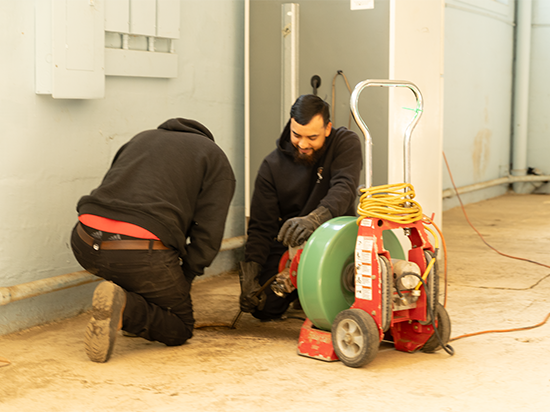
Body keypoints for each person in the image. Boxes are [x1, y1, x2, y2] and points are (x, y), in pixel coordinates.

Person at [70, 118, 235, 363]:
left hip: (84, 240)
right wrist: (187, 275)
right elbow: (208, 233)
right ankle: (125, 309)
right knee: (180, 325)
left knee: (138, 272)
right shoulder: (214, 156)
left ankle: (128, 308)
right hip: (138, 250)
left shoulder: (141, 138)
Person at [239, 94, 362, 320]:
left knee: (342, 305)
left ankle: (306, 289)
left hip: (335, 240)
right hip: (291, 245)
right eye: (297, 135)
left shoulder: (345, 143)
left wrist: (315, 219)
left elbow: (344, 188)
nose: (303, 144)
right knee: (263, 307)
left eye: (312, 137)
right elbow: (261, 226)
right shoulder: (271, 166)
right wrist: (251, 272)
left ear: (327, 129)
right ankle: (298, 290)